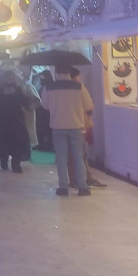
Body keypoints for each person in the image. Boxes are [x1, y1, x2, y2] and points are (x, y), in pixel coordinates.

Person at [41, 66, 94, 197]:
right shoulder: (78, 86)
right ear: (69, 73)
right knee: (78, 157)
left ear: (56, 73)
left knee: (61, 158)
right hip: (76, 125)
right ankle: (82, 187)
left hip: (57, 125)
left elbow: (45, 106)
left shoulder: (49, 87)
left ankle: (63, 187)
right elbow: (89, 105)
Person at [68, 68, 106, 189]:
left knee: (70, 154)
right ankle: (85, 178)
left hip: (64, 125)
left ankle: (73, 179)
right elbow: (88, 104)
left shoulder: (62, 88)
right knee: (81, 153)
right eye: (78, 76)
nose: (80, 78)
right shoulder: (79, 87)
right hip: (80, 124)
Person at [0, 69, 32, 173]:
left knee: (17, 143)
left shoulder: (18, 90)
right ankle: (4, 162)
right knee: (3, 142)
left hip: (16, 121)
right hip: (2, 121)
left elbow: (25, 102)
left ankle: (16, 164)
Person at [35, 70, 55, 152]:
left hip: (43, 110)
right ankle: (48, 145)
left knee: (42, 128)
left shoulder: (45, 86)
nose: (41, 78)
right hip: (49, 111)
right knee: (48, 129)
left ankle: (43, 145)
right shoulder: (52, 85)